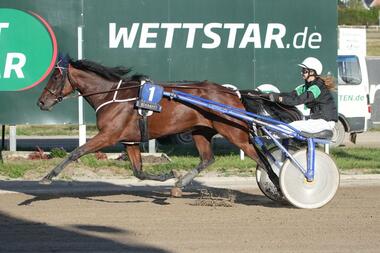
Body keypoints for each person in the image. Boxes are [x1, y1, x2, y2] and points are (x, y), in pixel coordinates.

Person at [267, 57, 338, 134]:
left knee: (292, 126)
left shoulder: (317, 87)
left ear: (312, 72)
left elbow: (297, 100)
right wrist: (272, 95)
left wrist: (280, 99)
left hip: (325, 123)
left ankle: (267, 138)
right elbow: (291, 95)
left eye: (304, 71)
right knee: (290, 125)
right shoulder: (307, 86)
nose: (302, 73)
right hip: (318, 120)